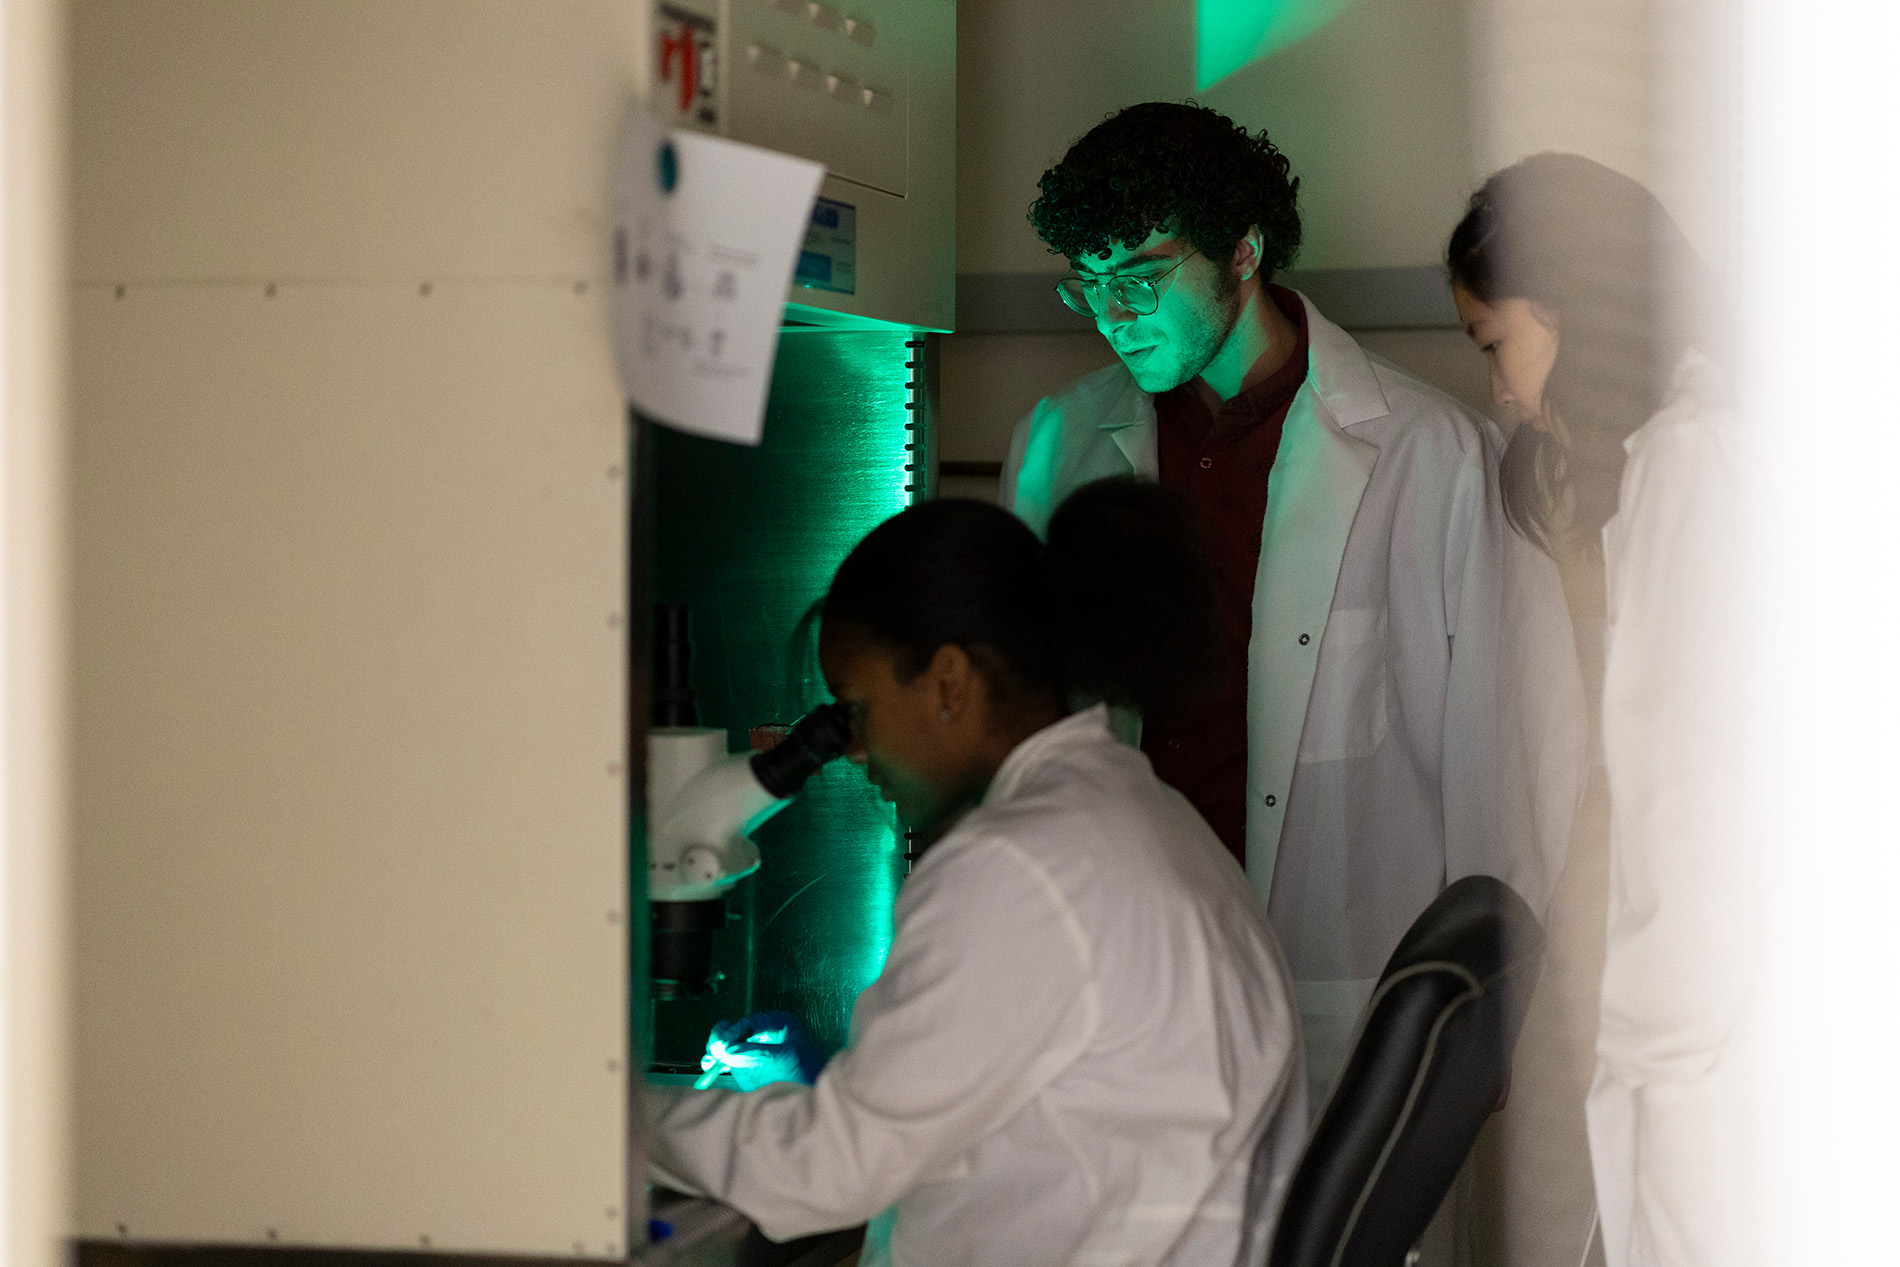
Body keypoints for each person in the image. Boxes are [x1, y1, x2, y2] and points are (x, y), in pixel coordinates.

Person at [1003, 101, 1586, 1104]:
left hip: (1344, 993)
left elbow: (1513, 764)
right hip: (1119, 971)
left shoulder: (1429, 455)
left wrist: (1488, 1017)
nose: (1113, 313)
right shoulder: (1060, 440)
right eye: (1087, 285)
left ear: (1242, 250)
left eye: (1140, 277)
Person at [646, 481, 1307, 1267]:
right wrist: (846, 1082)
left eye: (856, 709)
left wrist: (610, 1121)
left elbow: (828, 1171)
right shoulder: (1140, 811)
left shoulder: (1015, 864)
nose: (854, 751)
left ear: (949, 682)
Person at [1448, 152, 1759, 1267]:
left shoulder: (1691, 463)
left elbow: (1696, 814)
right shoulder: (1701, 452)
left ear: (1565, 312)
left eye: (1497, 347)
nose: (1500, 390)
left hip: (1714, 1054)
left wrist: (1642, 1060)